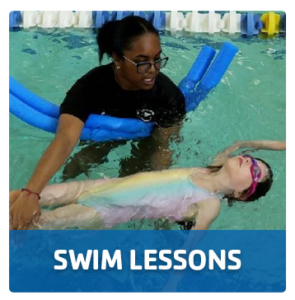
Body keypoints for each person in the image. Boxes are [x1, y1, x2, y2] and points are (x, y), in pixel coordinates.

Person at [8, 16, 187, 230]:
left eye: (157, 59)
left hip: (145, 138)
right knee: (79, 164)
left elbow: (163, 149)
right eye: (141, 62)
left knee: (133, 183)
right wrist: (31, 193)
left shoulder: (168, 96)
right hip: (102, 135)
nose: (152, 69)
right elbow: (65, 139)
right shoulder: (90, 88)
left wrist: (160, 200)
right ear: (117, 59)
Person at [9, 140, 282, 231]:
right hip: (96, 187)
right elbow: (246, 143)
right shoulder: (212, 166)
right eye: (251, 159)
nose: (250, 161)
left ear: (242, 194)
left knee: (39, 221)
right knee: (23, 197)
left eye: (256, 170)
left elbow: (191, 250)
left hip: (105, 212)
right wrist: (263, 147)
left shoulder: (209, 204)